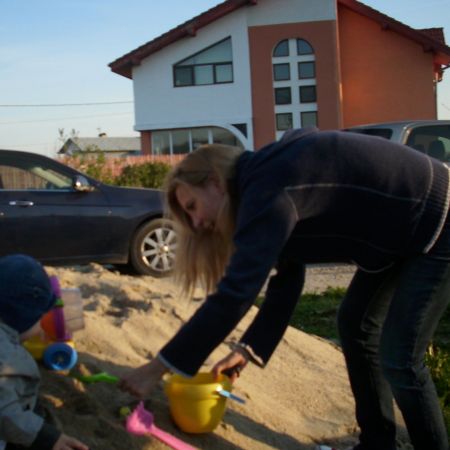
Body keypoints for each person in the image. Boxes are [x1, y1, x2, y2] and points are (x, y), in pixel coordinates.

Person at [119, 127, 450, 450]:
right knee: (356, 326)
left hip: (439, 220)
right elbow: (287, 279)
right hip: (400, 235)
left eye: (191, 206)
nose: (196, 223)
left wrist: (156, 369)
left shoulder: (267, 186)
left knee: (400, 357)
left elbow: (236, 294)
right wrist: (248, 349)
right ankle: (377, 442)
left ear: (215, 182)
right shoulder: (266, 181)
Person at [0, 254, 89, 450]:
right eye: (40, 318)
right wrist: (46, 437)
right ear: (23, 316)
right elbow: (5, 412)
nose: (42, 326)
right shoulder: (5, 357)